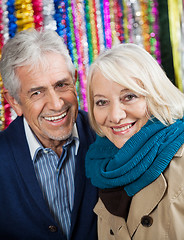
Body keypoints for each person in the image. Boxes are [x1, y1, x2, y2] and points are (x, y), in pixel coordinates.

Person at [0, 28, 98, 240]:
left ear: (74, 80)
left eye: (61, 85)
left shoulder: (107, 135)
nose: (56, 104)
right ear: (14, 101)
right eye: (37, 92)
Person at [85, 43, 184, 240]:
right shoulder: (101, 165)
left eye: (129, 97)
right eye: (102, 102)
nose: (115, 116)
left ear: (155, 94)